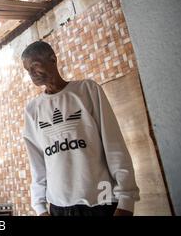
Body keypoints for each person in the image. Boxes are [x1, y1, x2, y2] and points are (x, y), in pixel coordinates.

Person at [21, 41, 140, 216]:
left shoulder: (87, 90)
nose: (32, 74)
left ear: (52, 59)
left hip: (102, 201)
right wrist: (39, 207)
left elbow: (114, 146)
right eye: (27, 70)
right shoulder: (32, 110)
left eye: (35, 66)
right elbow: (37, 162)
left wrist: (126, 200)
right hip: (58, 207)